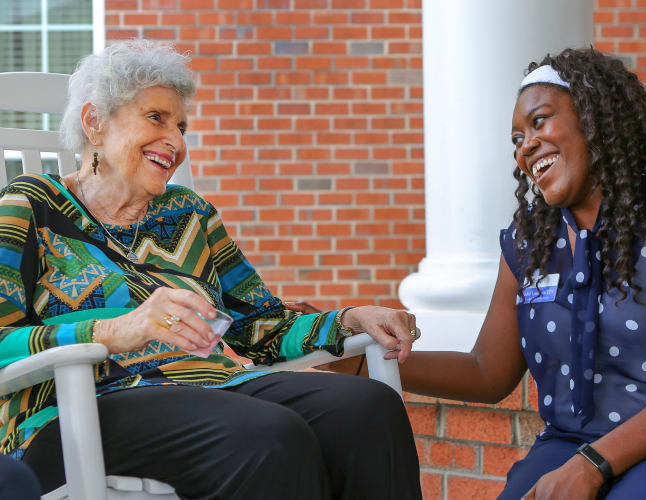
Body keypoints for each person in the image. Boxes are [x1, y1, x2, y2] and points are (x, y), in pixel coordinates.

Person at [0, 39, 422, 500]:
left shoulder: (190, 214)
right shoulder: (29, 206)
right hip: (78, 410)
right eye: (156, 118)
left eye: (181, 125)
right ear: (94, 123)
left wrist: (349, 319)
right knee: (269, 434)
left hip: (216, 386)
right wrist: (116, 330)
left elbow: (261, 326)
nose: (178, 141)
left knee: (369, 409)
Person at [328, 47, 646, 499]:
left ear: (596, 117)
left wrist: (593, 466)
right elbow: (486, 371)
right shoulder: (530, 241)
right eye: (516, 138)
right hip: (572, 444)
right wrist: (354, 358)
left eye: (540, 121)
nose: (525, 145)